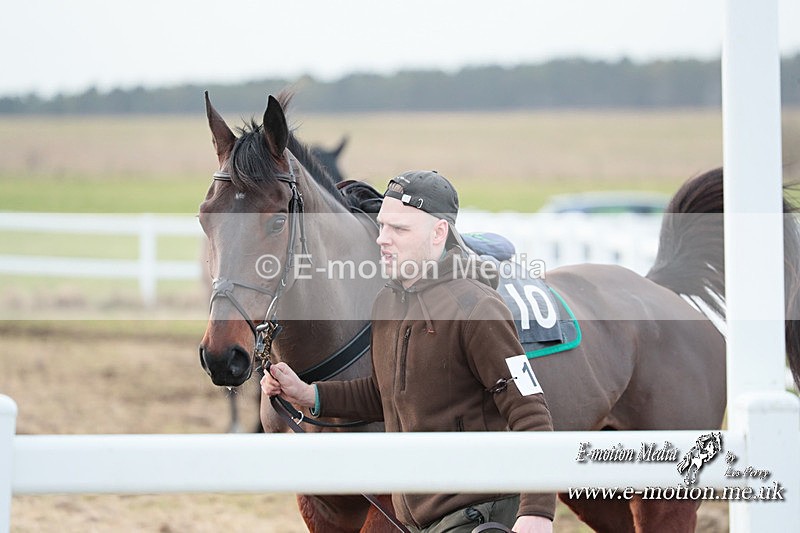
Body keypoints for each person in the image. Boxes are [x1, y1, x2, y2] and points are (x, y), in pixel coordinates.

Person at [262, 170, 555, 533]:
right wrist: (308, 394)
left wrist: (538, 511)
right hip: (415, 521)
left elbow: (530, 411)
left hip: (477, 515)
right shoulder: (387, 302)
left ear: (438, 233)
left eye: (399, 229)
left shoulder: (478, 308)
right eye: (383, 226)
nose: (382, 239)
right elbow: (382, 393)